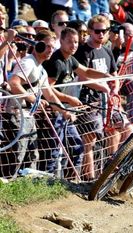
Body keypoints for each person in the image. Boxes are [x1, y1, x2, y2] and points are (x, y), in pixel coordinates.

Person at [0, 30, 76, 178]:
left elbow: (50, 95)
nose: (50, 50)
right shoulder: (28, 63)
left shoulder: (41, 69)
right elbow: (14, 83)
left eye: (52, 47)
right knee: (17, 156)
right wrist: (34, 100)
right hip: (17, 115)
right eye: (46, 46)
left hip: (29, 116)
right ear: (37, 45)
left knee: (32, 156)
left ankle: (26, 189)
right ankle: (8, 186)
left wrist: (64, 112)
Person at [43, 27, 113, 178]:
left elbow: (86, 72)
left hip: (66, 111)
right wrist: (69, 99)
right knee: (55, 150)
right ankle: (48, 182)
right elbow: (47, 89)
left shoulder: (70, 59)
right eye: (69, 42)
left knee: (77, 147)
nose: (73, 45)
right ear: (60, 41)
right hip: (54, 111)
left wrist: (106, 75)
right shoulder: (56, 62)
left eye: (75, 42)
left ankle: (71, 181)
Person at [74, 14, 133, 180]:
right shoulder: (83, 52)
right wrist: (104, 87)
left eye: (105, 31)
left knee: (127, 129)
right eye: (98, 31)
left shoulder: (107, 50)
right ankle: (90, 178)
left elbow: (113, 73)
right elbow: (82, 78)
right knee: (90, 141)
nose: (101, 34)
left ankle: (112, 168)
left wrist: (114, 87)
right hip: (89, 100)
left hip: (109, 100)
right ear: (90, 31)